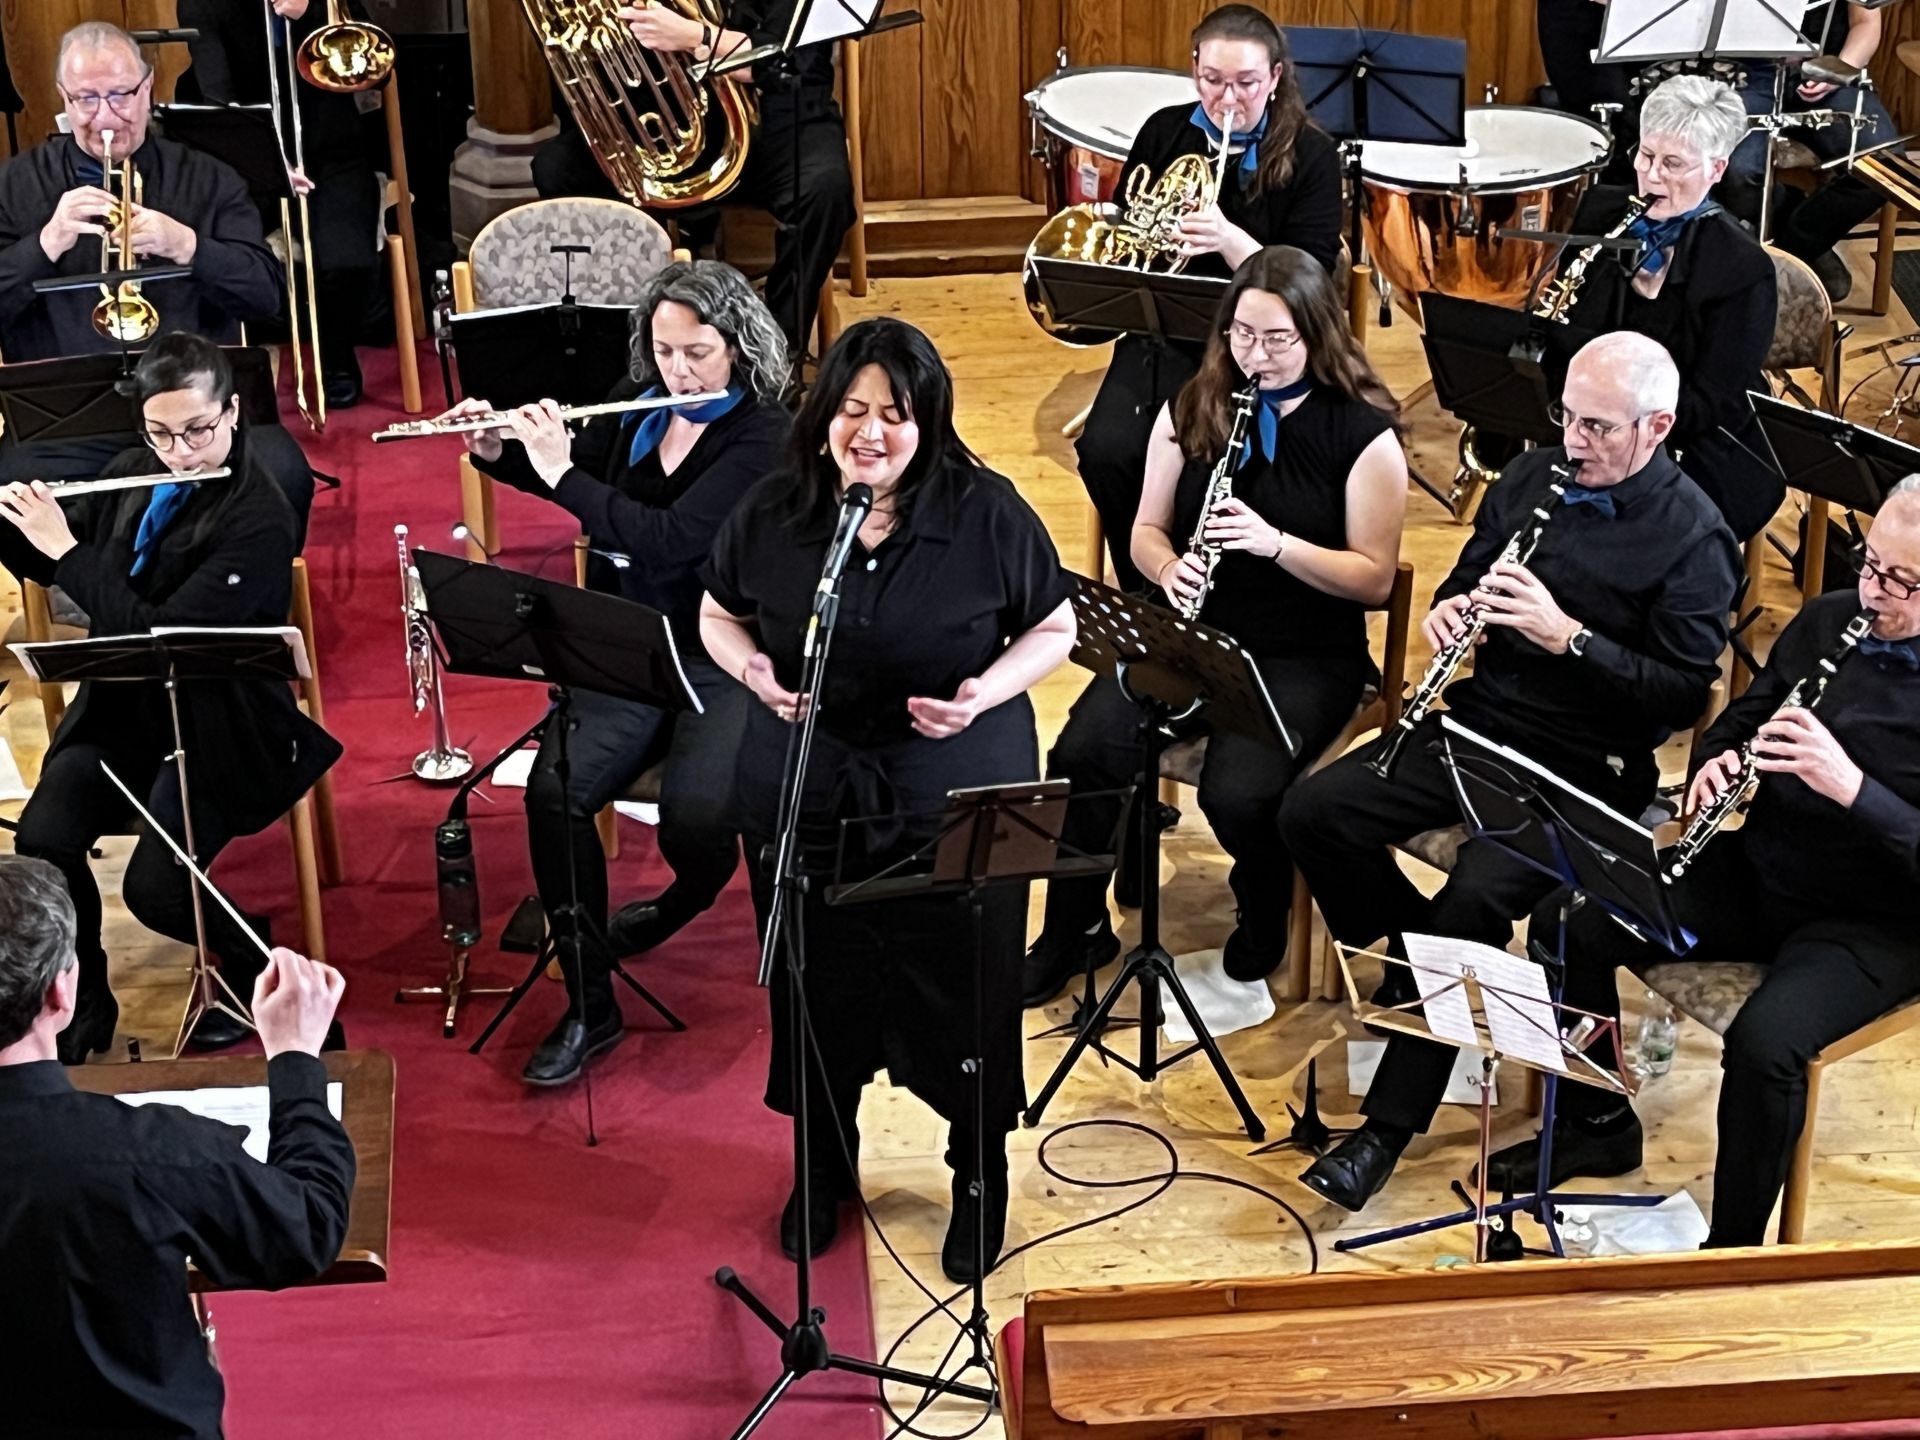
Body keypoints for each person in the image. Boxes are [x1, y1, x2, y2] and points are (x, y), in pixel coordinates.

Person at [1279, 332, 1744, 1213]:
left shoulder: (1696, 538)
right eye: (1567, 417)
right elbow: (1464, 574)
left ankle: (1385, 1131)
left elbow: (1685, 695)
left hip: (1586, 767)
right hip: (1482, 724)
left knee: (1474, 901)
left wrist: (1570, 637)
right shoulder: (1533, 477)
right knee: (1315, 812)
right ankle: (1425, 969)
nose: (1574, 440)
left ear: (1657, 427)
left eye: (1599, 427)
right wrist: (1453, 610)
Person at [700, 317, 1075, 1280]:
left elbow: (1055, 627)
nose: (870, 433)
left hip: (958, 785)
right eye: (853, 409)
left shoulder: (987, 512)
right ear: (824, 412)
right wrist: (751, 673)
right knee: (817, 987)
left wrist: (982, 694)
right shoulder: (779, 508)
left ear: (929, 422)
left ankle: (979, 1170)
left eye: (895, 416)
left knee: (970, 991)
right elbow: (717, 611)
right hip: (813, 784)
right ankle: (824, 1163)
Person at [1489, 479, 1920, 1247]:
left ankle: (1733, 1252)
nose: (1871, 590)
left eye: (1900, 581)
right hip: (1765, 868)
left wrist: (1851, 786)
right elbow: (1743, 720)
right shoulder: (1830, 620)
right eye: (1870, 563)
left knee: (1764, 1045)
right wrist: (1718, 762)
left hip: (1876, 922)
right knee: (1570, 921)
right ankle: (1598, 1124)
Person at [1025, 246, 1407, 1001]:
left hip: (1304, 652)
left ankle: (1264, 904)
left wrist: (1275, 544)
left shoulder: (1363, 435)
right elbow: (1145, 530)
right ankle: (1070, 930)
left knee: (1236, 794)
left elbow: (1372, 579)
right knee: (1083, 751)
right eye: (1241, 335)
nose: (1254, 356)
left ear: (1316, 334)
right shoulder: (1196, 405)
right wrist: (1171, 569)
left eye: (1276, 339)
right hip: (1191, 636)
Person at [454, 260, 789, 1087]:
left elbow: (664, 539)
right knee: (554, 790)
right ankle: (589, 1002)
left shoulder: (763, 438)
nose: (678, 371)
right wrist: (499, 451)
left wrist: (561, 470)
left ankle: (684, 898)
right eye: (665, 351)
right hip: (626, 642)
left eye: (698, 353)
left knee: (699, 819)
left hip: (722, 652)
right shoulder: (637, 406)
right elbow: (578, 480)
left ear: (739, 348)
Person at [0, 333, 341, 1060]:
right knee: (43, 839)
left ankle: (264, 974)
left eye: (197, 430)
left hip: (221, 720)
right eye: (160, 433)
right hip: (124, 711)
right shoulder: (133, 471)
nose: (179, 453)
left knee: (157, 893)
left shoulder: (259, 515)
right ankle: (86, 998)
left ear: (233, 411)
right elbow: (54, 561)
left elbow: (160, 634)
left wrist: (68, 552)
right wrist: (19, 527)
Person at [0, 854, 355, 1440]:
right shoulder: (145, 1152)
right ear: (61, 992)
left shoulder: (141, 1152)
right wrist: (294, 1055)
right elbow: (308, 1226)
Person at [1074, 4, 1343, 593]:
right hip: (1164, 335)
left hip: (1262, 351)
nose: (1227, 99)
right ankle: (1150, 588)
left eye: (1246, 83)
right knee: (1106, 452)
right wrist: (1149, 242)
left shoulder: (1313, 156)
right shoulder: (1164, 132)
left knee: (1212, 466)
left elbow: (1311, 286)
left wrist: (1230, 240)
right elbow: (1125, 237)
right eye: (1212, 80)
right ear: (1195, 68)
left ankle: (1222, 595)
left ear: (1275, 77)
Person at [0, 22, 290, 490]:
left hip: (197, 417)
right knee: (8, 492)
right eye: (86, 99)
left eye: (121, 95)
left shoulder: (210, 178)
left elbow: (267, 298)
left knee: (282, 474)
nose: (105, 117)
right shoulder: (13, 186)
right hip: (67, 426)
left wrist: (188, 246)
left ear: (148, 87)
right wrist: (45, 244)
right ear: (62, 97)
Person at [531, 0, 855, 358]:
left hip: (778, 115)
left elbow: (794, 62)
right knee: (557, 170)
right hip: (661, 114)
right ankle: (630, 338)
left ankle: (773, 351)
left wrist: (693, 35)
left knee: (824, 191)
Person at [1557, 75, 1780, 543]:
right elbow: (1570, 336)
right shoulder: (1600, 215)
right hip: (1595, 424)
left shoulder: (1742, 268)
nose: (1653, 176)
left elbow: (1714, 402)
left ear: (1716, 169)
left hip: (1694, 442)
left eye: (1673, 163)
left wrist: (1620, 433)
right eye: (1646, 155)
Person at [177, 0, 385, 408]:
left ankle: (336, 356)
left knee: (348, 260)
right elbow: (219, 99)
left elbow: (377, 67)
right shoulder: (204, 4)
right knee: (219, 254)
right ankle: (227, 363)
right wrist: (270, 162)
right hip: (248, 158)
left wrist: (310, 15)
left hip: (332, 155)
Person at [1717, 1, 1895, 303]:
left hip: (1828, 66)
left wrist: (1837, 71)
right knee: (1736, 171)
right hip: (1749, 74)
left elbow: (1866, 24)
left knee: (1881, 166)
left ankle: (1794, 251)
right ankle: (1793, 221)